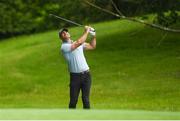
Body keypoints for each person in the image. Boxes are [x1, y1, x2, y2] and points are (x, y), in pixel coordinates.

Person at [59, 26, 96, 109]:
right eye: (62, 33)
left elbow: (92, 46)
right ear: (61, 38)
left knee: (85, 99)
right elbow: (78, 43)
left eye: (66, 32)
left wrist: (93, 35)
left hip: (86, 75)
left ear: (69, 34)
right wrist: (86, 31)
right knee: (73, 100)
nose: (65, 33)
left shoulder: (78, 43)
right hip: (75, 77)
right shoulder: (64, 47)